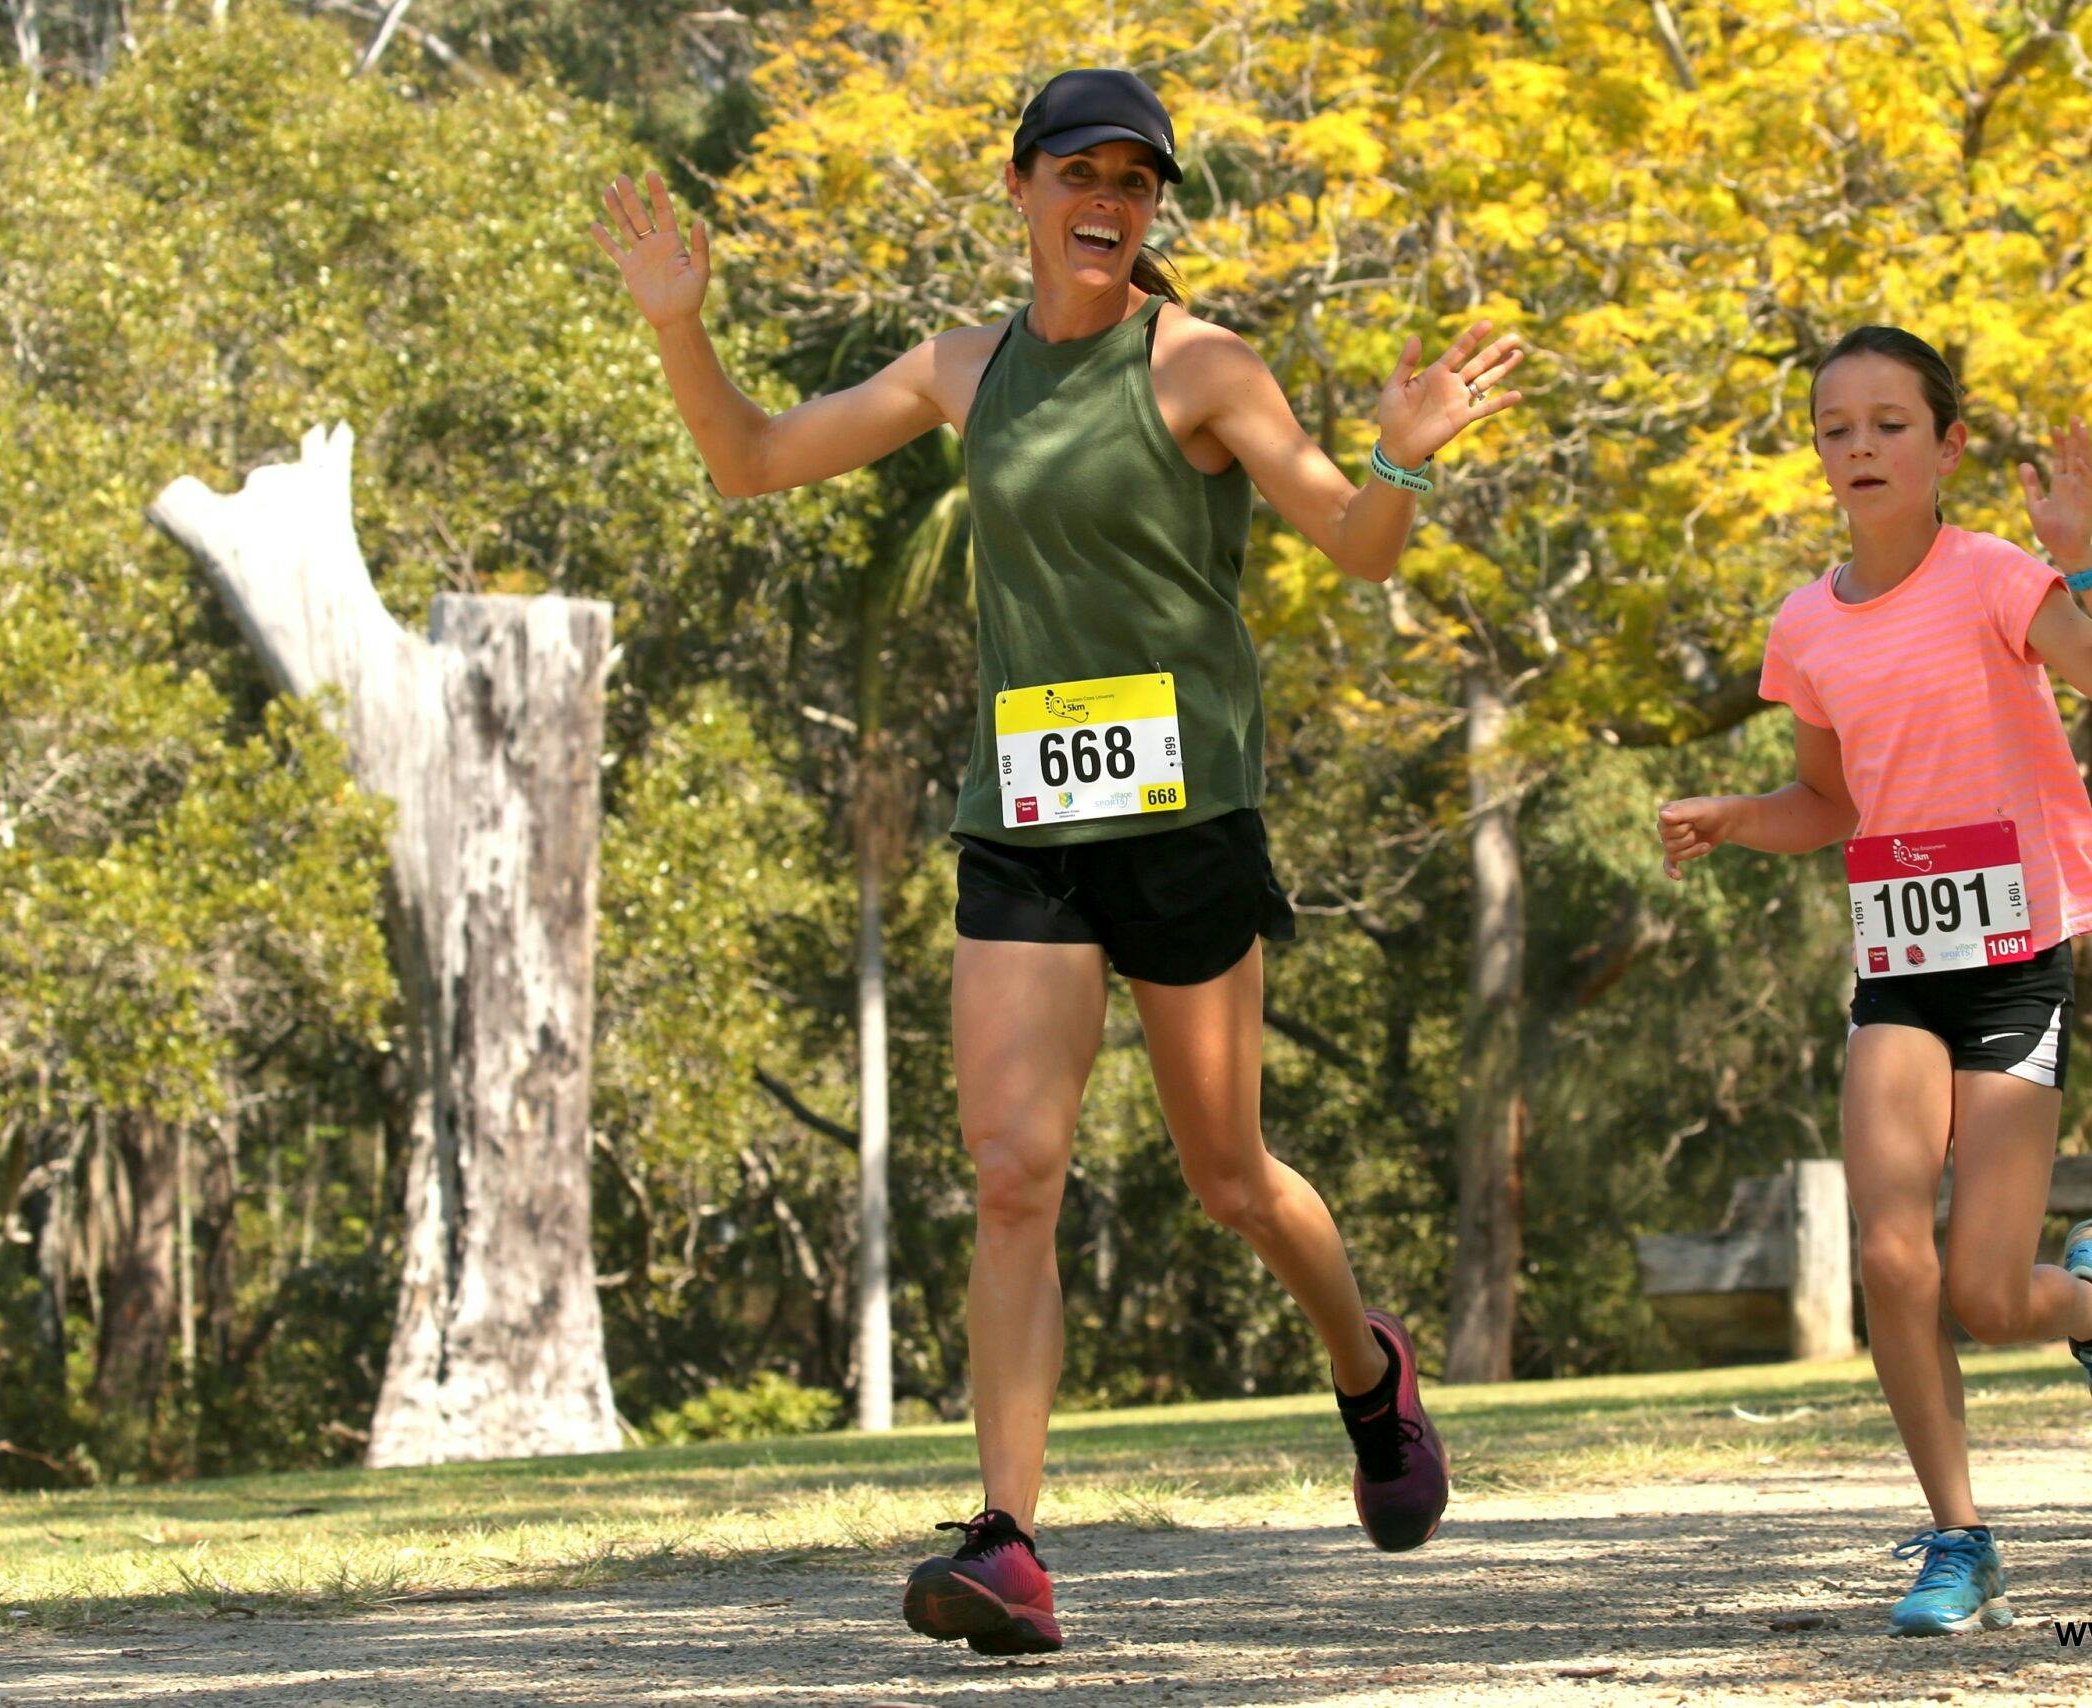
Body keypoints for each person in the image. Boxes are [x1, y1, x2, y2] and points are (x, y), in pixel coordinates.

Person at [593, 67, 1525, 1656]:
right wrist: (681, 321)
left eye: (1137, 181)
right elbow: (749, 460)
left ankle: (1368, 1370)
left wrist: (1406, 459)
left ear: (1152, 211)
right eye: (1079, 171)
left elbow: (1358, 543)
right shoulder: (963, 370)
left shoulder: (1204, 368)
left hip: (1184, 824)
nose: (1109, 201)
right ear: (1021, 190)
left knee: (1227, 1176)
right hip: (1025, 822)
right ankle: (1011, 1544)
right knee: (1013, 1169)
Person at [1655, 326, 2092, 1636]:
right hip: (1902, 965)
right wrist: (1738, 815)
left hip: (2018, 959)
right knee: (1892, 1255)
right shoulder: (1805, 625)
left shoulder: (1997, 581)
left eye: (1890, 424)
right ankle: (1959, 1540)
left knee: (1984, 1291)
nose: (1859, 446)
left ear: (1948, 446)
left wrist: (2090, 561)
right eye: (1835, 426)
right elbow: (1825, 802)